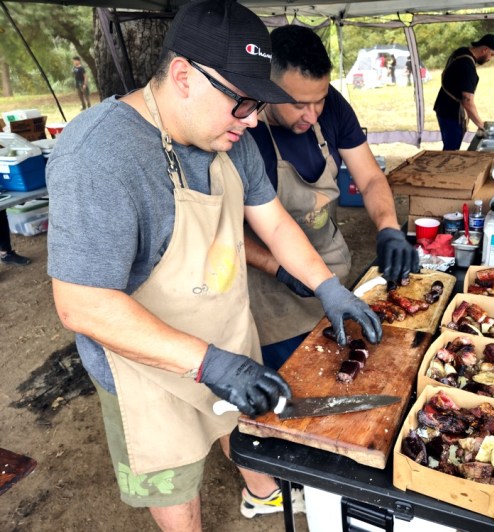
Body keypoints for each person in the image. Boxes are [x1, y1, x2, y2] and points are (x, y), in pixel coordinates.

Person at [45, 1, 382, 530]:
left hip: (225, 333)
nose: (251, 120)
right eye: (242, 103)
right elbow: (82, 304)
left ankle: (261, 494)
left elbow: (272, 222)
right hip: (147, 368)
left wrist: (326, 286)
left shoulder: (231, 138)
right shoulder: (99, 156)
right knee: (178, 484)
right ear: (183, 75)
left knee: (239, 430)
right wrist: (207, 364)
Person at [247, 24, 419, 370]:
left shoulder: (333, 108)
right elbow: (225, 228)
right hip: (273, 293)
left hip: (331, 270)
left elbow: (370, 177)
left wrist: (388, 228)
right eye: (297, 104)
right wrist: (280, 269)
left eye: (319, 100)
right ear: (267, 88)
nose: (311, 116)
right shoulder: (244, 131)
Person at [433, 34, 494, 150]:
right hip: (451, 113)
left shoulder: (461, 51)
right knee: (451, 151)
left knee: (449, 147)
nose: (490, 59)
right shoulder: (467, 67)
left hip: (442, 107)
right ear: (485, 50)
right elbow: (467, 101)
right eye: (491, 55)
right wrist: (481, 125)